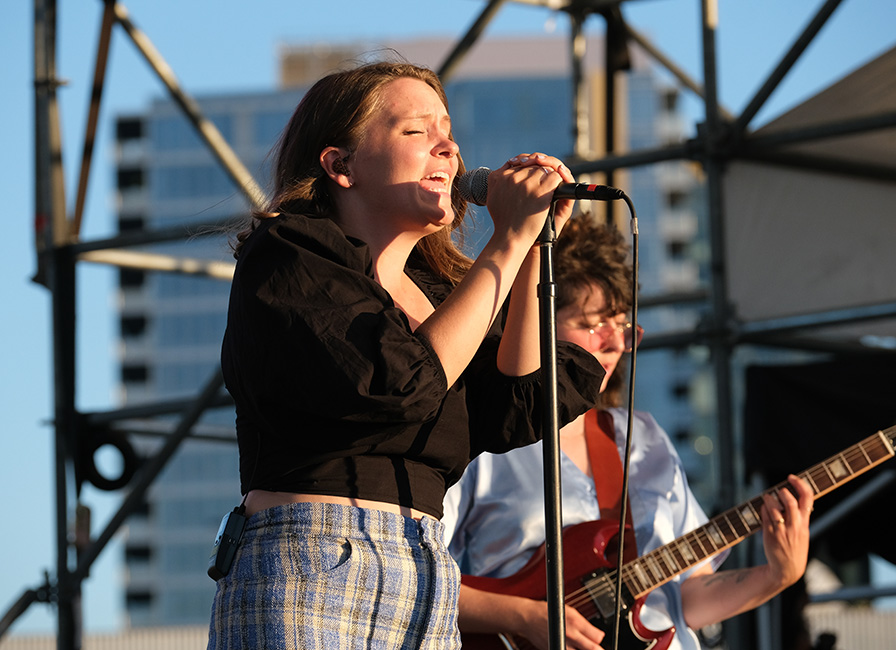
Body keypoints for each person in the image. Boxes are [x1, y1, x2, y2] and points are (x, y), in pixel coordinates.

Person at [207, 60, 606, 650]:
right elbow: (400, 385)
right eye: (418, 132)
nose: (449, 147)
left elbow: (519, 403)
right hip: (313, 560)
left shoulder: (444, 296)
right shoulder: (291, 257)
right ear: (340, 165)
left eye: (448, 131)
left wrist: (531, 248)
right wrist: (507, 239)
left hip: (424, 567)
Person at [442, 215, 815, 650]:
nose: (615, 343)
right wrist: (525, 616)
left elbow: (686, 598)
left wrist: (776, 575)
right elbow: (417, 574)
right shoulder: (478, 435)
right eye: (593, 324)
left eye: (622, 328)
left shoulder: (644, 440)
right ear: (533, 316)